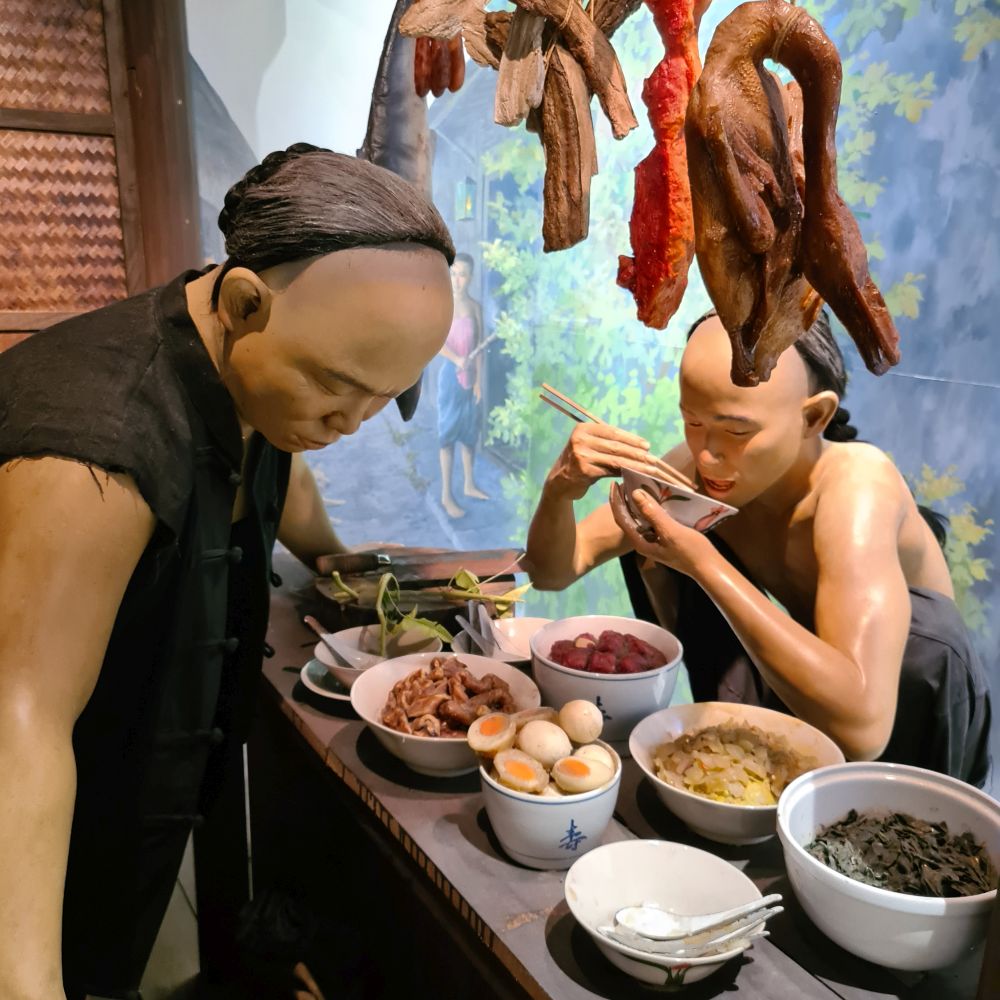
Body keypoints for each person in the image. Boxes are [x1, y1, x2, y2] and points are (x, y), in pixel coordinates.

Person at [0, 143, 455, 999]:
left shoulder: (249, 375)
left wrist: (348, 571)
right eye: (335, 388)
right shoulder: (93, 455)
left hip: (144, 776)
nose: (348, 424)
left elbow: (282, 477)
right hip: (49, 807)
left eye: (378, 398)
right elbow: (16, 723)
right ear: (245, 302)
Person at [525, 310, 991, 787]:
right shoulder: (701, 472)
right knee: (657, 533)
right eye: (693, 421)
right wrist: (560, 488)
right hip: (815, 681)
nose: (707, 454)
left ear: (813, 417)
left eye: (737, 432)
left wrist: (702, 562)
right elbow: (553, 571)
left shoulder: (858, 485)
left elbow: (863, 728)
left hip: (916, 697)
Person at [437, 252, 489, 518]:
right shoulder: (442, 305)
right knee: (447, 436)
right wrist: (456, 358)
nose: (457, 280)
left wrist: (478, 381)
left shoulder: (476, 308)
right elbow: (436, 342)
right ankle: (447, 495)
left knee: (469, 434)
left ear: (471, 278)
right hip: (450, 377)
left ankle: (469, 484)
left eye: (463, 274)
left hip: (470, 380)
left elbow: (479, 350)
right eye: (454, 273)